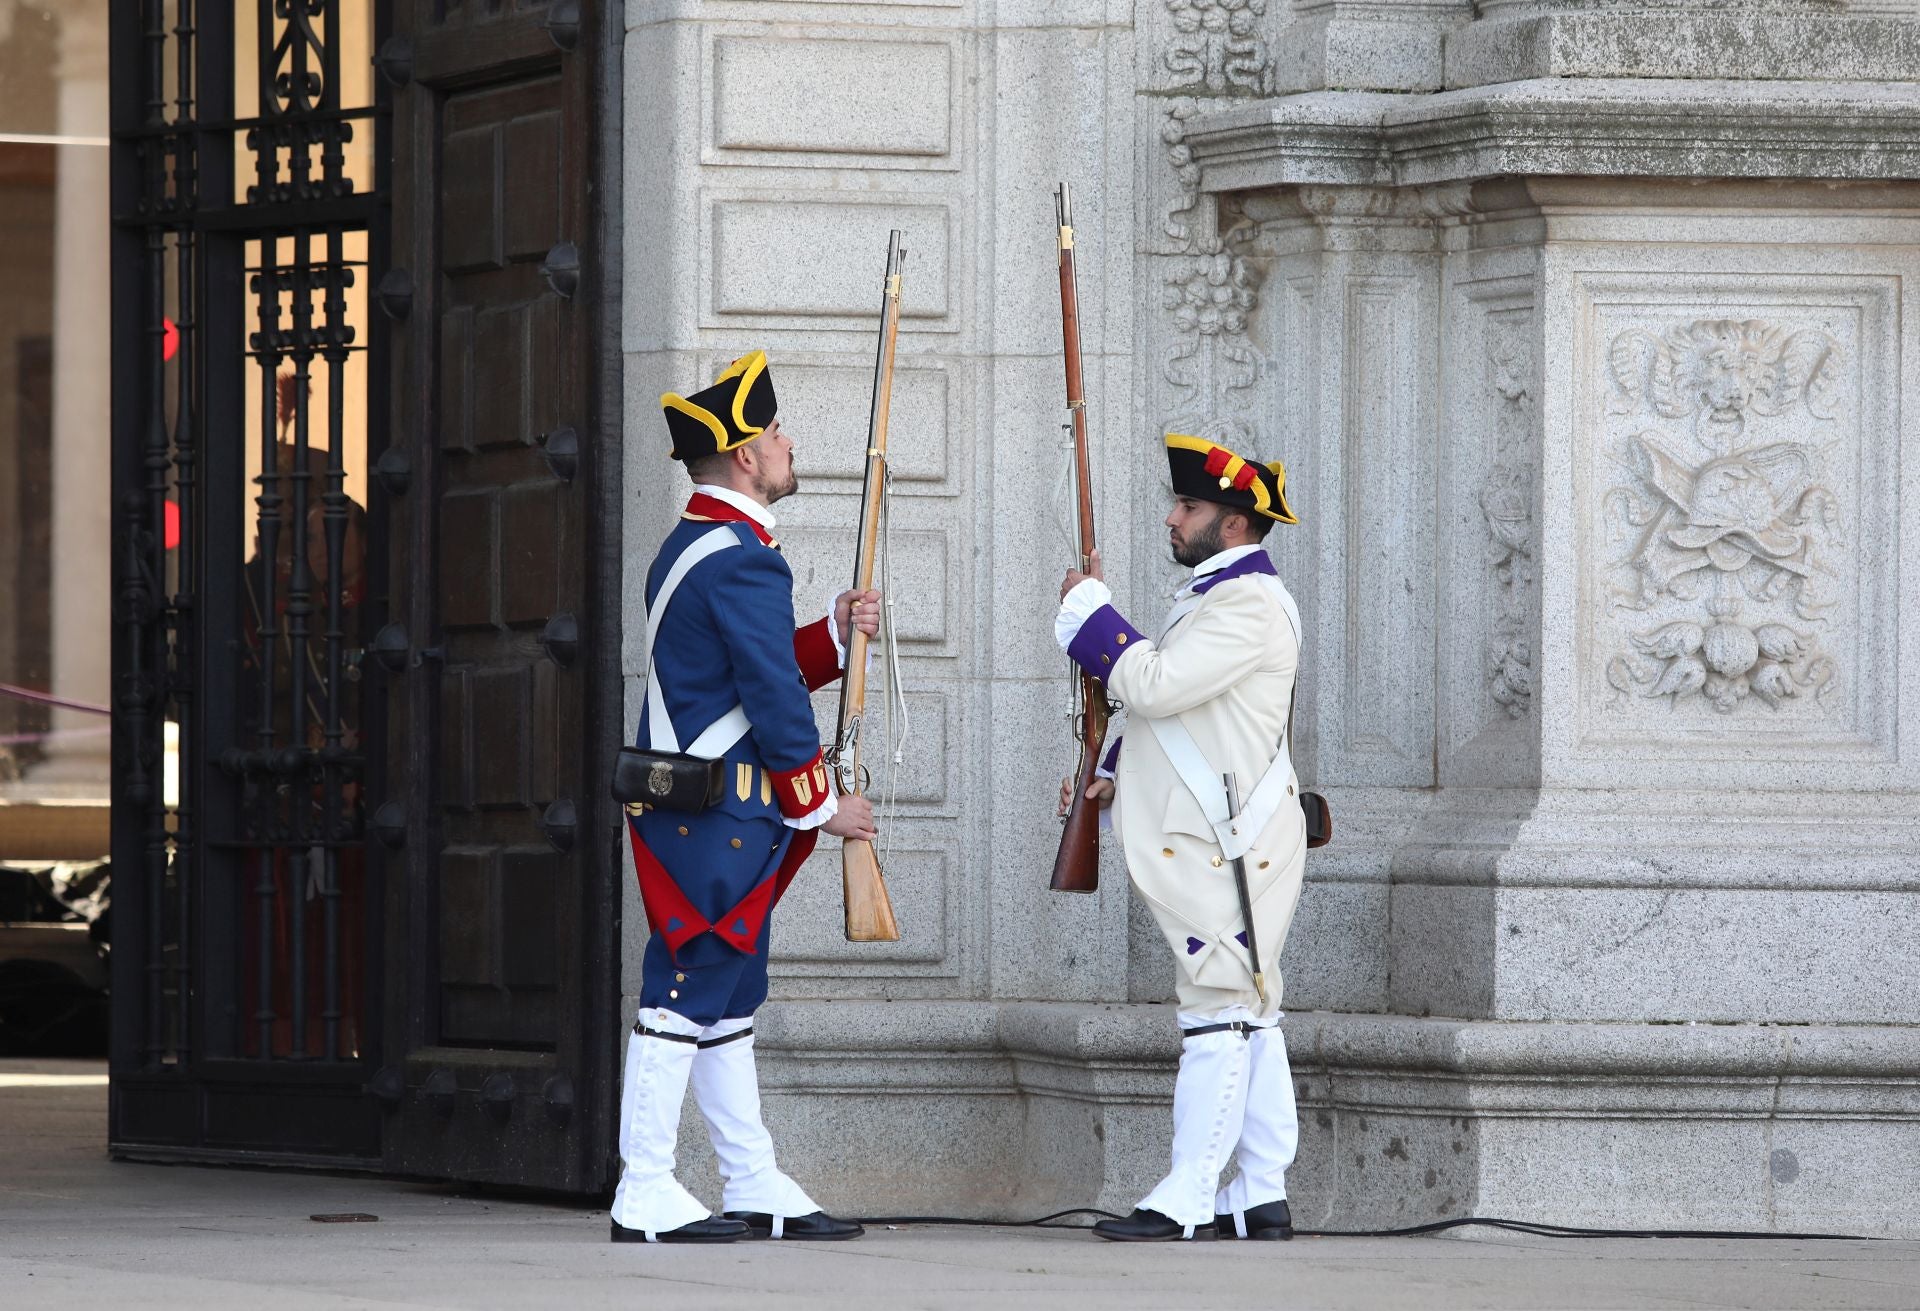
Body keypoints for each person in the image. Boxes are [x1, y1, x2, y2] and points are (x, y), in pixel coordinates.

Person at [613, 350, 879, 1245]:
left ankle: (750, 1176)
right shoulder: (742, 560)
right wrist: (820, 803)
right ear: (742, 456)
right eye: (772, 432)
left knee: (727, 996)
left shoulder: (709, 542)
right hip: (714, 810)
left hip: (704, 804)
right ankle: (644, 1184)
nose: (786, 442)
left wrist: (832, 637)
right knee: (683, 988)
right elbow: (767, 700)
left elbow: (732, 676)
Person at [1053, 432, 1306, 1243]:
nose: (1171, 516)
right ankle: (1260, 1190)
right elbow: (1188, 716)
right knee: (1251, 1005)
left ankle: (1189, 1193)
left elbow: (1158, 683)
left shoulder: (1249, 602)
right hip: (1216, 839)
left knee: (1219, 1008)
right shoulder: (1215, 594)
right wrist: (1114, 776)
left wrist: (1091, 617)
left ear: (1232, 522)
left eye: (1188, 506)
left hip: (1229, 845)